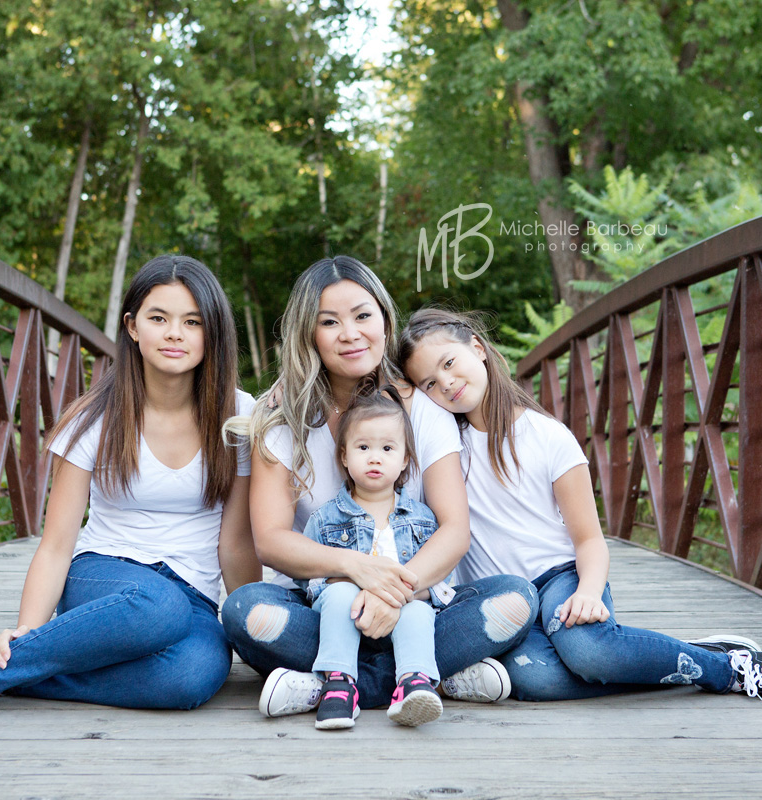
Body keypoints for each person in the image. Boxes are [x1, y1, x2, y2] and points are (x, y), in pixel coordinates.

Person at [0, 255, 259, 723]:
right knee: (158, 607)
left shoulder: (239, 415)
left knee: (194, 675)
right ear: (132, 327)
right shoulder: (95, 416)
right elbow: (56, 545)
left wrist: (254, 630)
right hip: (103, 575)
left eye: (192, 322)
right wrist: (28, 629)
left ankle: (12, 667)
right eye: (159, 318)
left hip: (194, 594)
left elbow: (234, 542)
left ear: (213, 331)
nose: (175, 333)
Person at [399, 307, 762, 704]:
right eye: (430, 383)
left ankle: (731, 670)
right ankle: (685, 658)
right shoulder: (445, 451)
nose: (446, 383)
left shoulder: (547, 436)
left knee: (589, 654)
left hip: (563, 578)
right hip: (504, 596)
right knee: (533, 677)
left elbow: (589, 539)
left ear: (477, 347)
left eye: (449, 363)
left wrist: (589, 591)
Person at [221, 256, 537, 719]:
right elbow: (270, 540)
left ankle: (331, 683)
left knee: (516, 596)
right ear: (309, 334)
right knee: (243, 610)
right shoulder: (282, 415)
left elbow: (454, 530)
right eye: (329, 322)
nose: (350, 333)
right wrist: (359, 570)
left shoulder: (423, 409)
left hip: (417, 602)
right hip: (326, 603)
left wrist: (396, 592)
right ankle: (426, 675)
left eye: (362, 316)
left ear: (385, 322)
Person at [301, 385, 451, 730]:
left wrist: (394, 593)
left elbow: (442, 585)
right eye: (363, 447)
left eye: (387, 448)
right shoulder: (325, 519)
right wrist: (357, 587)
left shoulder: (423, 519)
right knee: (337, 593)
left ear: (404, 461)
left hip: (401, 614)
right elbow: (311, 584)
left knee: (417, 608)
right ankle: (339, 683)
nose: (374, 457)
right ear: (344, 456)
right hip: (344, 618)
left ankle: (413, 683)